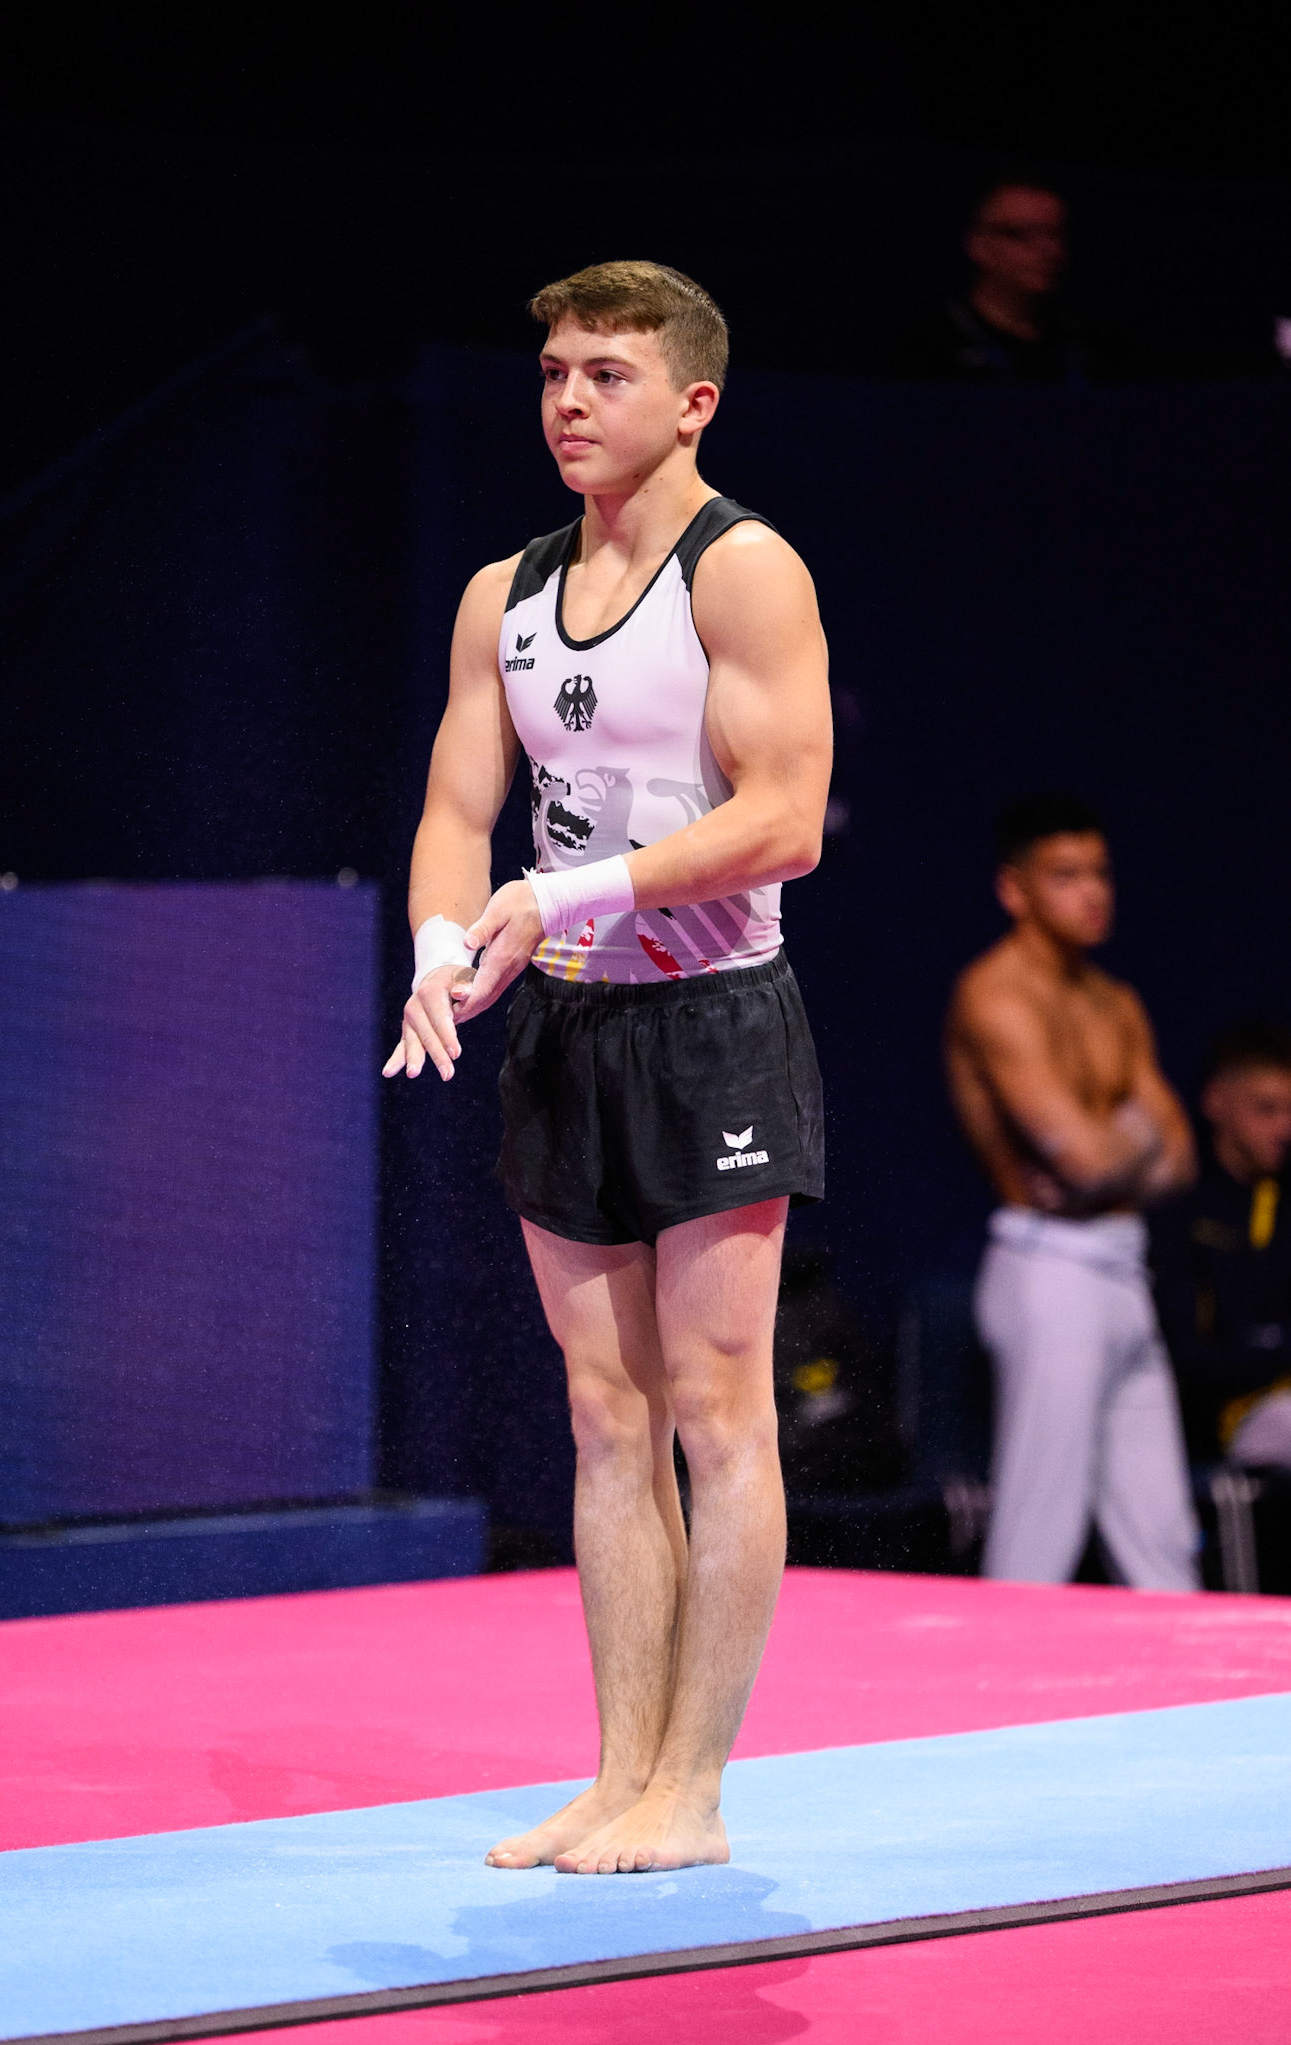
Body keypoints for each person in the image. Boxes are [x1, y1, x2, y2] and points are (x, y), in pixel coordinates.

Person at [384, 261, 832, 1873]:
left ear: (693, 401)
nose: (571, 401)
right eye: (557, 373)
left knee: (717, 1409)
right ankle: (617, 1769)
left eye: (609, 376)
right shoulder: (502, 591)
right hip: (568, 1025)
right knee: (601, 1412)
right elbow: (456, 807)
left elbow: (783, 818)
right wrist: (445, 943)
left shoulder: (746, 571)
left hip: (713, 1025)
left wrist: (556, 893)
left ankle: (695, 1793)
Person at [944, 795, 1200, 1588]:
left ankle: (1198, 1708)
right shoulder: (995, 995)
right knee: (1037, 1534)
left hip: (1124, 1273)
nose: (1092, 892)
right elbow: (1092, 1160)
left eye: (1098, 873)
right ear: (1013, 890)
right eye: (1065, 875)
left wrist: (1110, 1152)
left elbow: (1179, 1159)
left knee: (1165, 1540)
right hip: (1046, 1273)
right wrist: (1130, 1135)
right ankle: (994, 1708)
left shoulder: (1114, 1003)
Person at [1151, 1020, 1291, 1470]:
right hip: (1230, 1417)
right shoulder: (1177, 1211)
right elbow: (1186, 1357)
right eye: (1267, 1110)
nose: (1285, 1128)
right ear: (1216, 1103)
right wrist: (1270, 1356)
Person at [891, 179, 1130, 384]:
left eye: (1056, 234)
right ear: (978, 245)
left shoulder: (1090, 345)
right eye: (1024, 235)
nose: (1049, 250)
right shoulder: (929, 350)